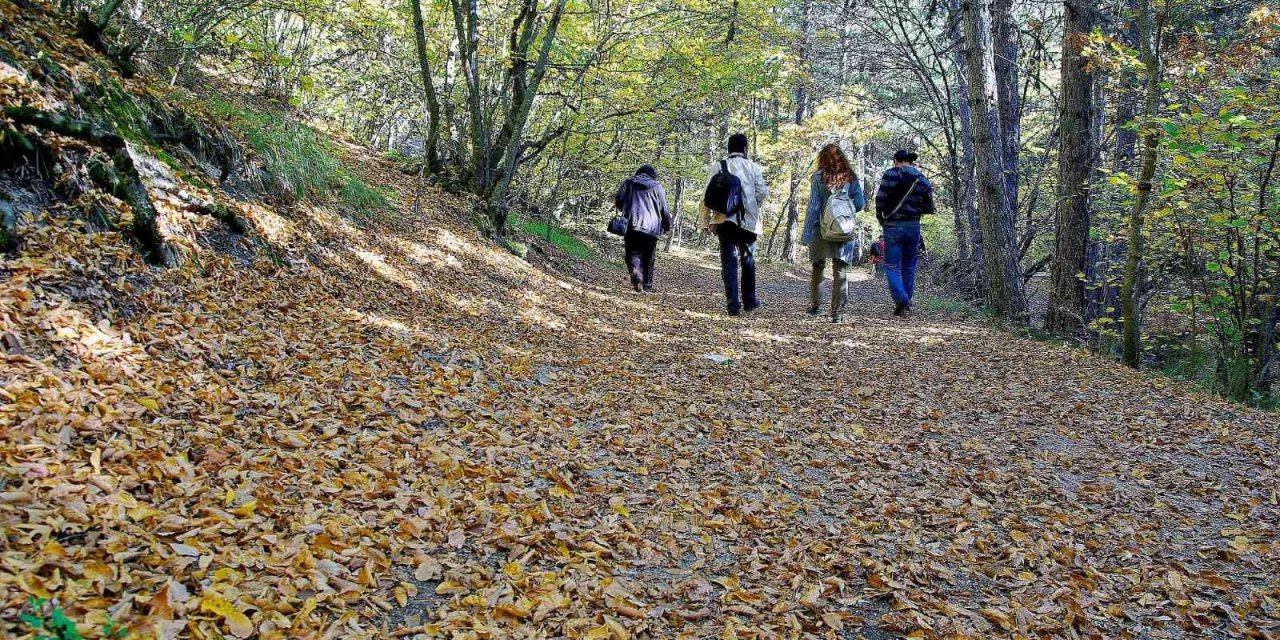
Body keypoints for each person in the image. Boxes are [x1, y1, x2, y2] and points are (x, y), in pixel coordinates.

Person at [700, 133, 769, 316]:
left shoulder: (719, 166)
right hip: (749, 221)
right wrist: (753, 204)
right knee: (748, 260)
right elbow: (762, 192)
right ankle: (749, 301)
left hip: (724, 220)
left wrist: (705, 222)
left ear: (729, 149)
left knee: (728, 262)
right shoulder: (753, 167)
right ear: (745, 149)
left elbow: (707, 196)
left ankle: (732, 304)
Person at [801, 143, 866, 324]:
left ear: (822, 159)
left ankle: (815, 306)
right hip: (843, 228)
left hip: (821, 228)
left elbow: (813, 206)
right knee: (840, 270)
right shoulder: (851, 178)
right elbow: (860, 204)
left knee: (818, 267)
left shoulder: (818, 177)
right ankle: (837, 313)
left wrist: (807, 234)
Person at [874, 149, 935, 316]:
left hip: (892, 226)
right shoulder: (921, 178)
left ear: (895, 160)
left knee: (891, 266)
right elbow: (930, 206)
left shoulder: (890, 175)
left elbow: (880, 199)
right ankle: (906, 300)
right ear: (910, 161)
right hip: (913, 226)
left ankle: (902, 299)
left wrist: (881, 217)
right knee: (909, 266)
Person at [614, 165, 672, 293]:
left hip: (631, 225)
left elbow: (619, 199)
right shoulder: (657, 186)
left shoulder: (629, 182)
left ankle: (636, 275)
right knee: (649, 257)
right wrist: (667, 225)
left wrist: (624, 209)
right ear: (652, 175)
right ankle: (647, 285)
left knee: (632, 253)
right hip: (652, 228)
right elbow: (664, 209)